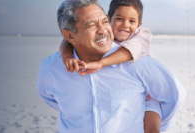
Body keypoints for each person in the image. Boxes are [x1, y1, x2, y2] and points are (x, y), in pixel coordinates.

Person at [37, 0, 186, 132]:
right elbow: (51, 99)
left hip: (150, 99)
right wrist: (66, 56)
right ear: (70, 36)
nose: (102, 30)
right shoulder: (51, 69)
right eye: (91, 24)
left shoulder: (138, 58)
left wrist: (152, 124)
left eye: (104, 21)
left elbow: (175, 97)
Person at [59, 0, 161, 132]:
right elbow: (67, 41)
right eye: (119, 19)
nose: (125, 25)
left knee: (152, 127)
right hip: (127, 97)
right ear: (108, 19)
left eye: (132, 21)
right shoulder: (106, 37)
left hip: (149, 96)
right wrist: (67, 56)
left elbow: (128, 52)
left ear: (139, 25)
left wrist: (100, 63)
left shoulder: (141, 35)